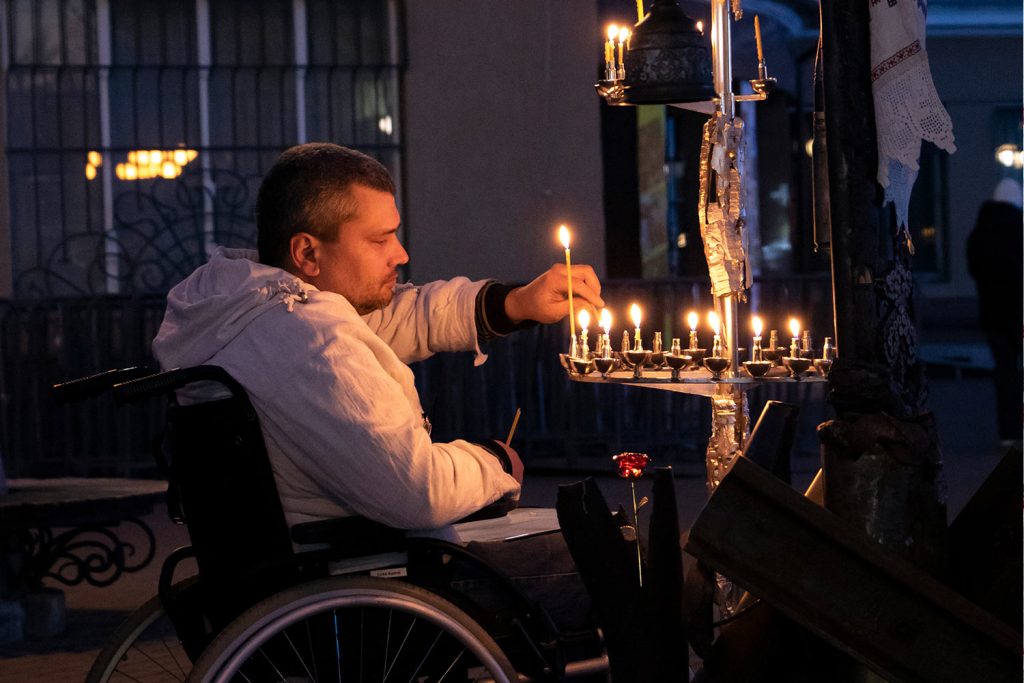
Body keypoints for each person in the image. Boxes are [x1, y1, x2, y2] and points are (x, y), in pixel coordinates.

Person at [152, 142, 604, 629]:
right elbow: (419, 490)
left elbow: (406, 317)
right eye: (379, 239)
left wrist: (516, 303)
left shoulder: (250, 313)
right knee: (609, 555)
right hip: (368, 585)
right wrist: (493, 461)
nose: (401, 254)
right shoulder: (313, 343)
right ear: (307, 251)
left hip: (294, 575)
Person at [966, 176, 1023, 445]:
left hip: (993, 315)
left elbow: (974, 270)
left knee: (1004, 372)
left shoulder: (980, 234)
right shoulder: (1019, 231)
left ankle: (1008, 432)